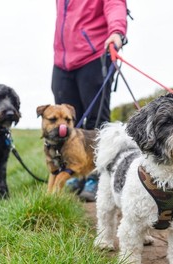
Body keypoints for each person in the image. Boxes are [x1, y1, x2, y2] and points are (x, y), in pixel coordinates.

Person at [51, 0, 128, 202]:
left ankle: (96, 176)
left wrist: (117, 31)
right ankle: (75, 172)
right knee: (67, 126)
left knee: (96, 123)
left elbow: (115, 4)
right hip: (62, 62)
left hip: (94, 57)